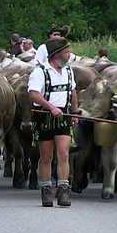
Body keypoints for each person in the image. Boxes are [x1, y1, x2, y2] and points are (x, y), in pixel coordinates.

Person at [27, 38, 78, 207]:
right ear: (56, 55)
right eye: (66, 52)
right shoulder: (40, 72)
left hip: (64, 115)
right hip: (45, 117)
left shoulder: (69, 71)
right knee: (46, 156)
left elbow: (73, 91)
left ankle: (63, 190)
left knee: (64, 154)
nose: (69, 55)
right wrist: (50, 108)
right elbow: (34, 94)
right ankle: (46, 190)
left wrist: (75, 112)